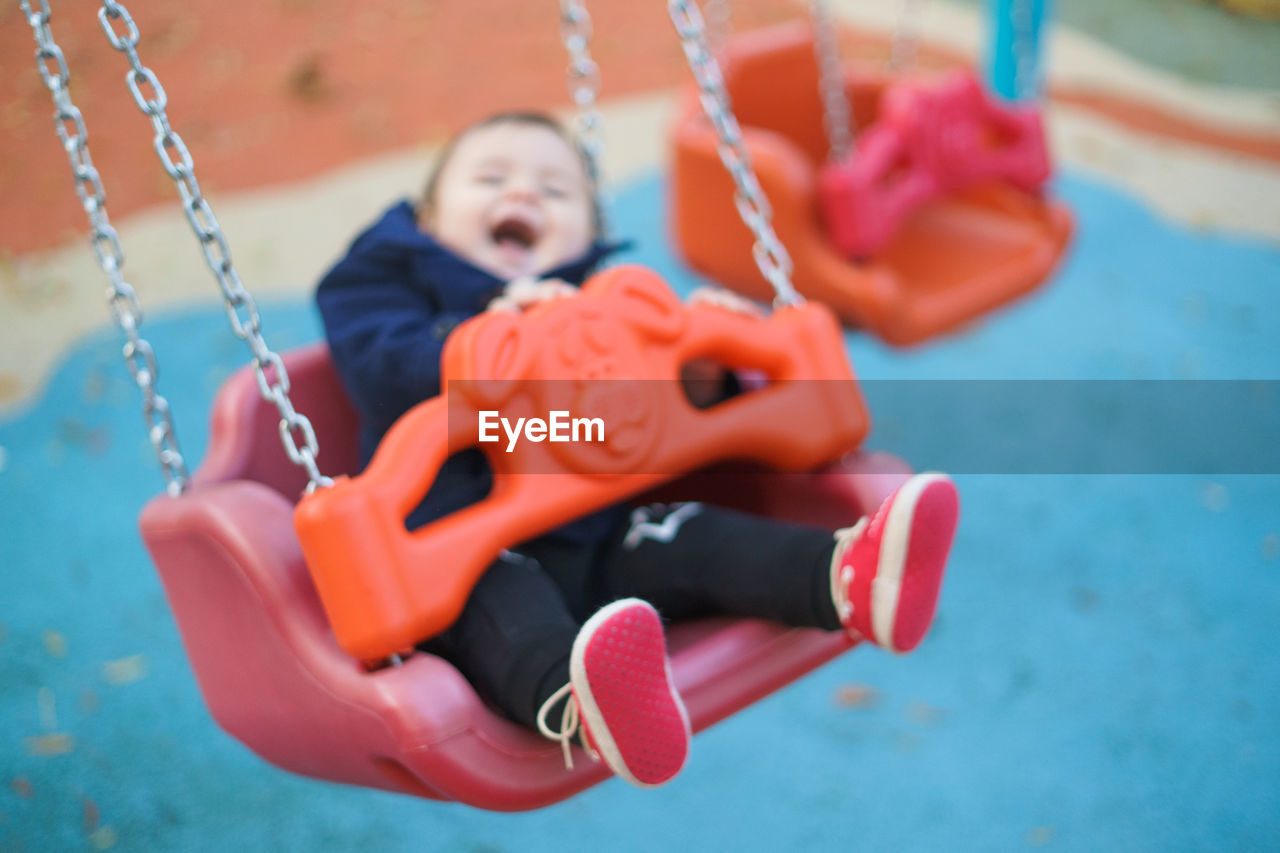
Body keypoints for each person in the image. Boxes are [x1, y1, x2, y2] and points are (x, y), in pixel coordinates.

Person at [316, 111, 959, 789]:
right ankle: (583, 704)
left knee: (687, 530)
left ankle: (851, 578)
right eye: (491, 177)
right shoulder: (377, 288)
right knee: (508, 607)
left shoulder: (603, 300)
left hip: (600, 529)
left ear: (589, 234)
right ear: (426, 219)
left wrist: (705, 374)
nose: (525, 195)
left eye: (557, 191)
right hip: (463, 550)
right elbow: (378, 365)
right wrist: (485, 332)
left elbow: (656, 417)